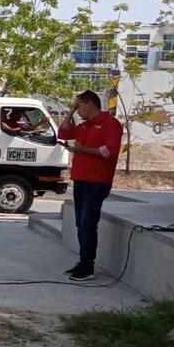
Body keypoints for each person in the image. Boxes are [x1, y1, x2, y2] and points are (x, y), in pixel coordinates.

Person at [57, 90, 122, 281]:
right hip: (81, 179)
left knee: (88, 223)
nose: (78, 111)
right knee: (80, 223)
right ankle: (84, 261)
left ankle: (88, 266)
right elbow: (63, 132)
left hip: (98, 181)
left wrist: (81, 150)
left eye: (79, 106)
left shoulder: (111, 124)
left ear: (90, 104)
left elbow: (109, 151)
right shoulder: (85, 126)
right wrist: (69, 112)